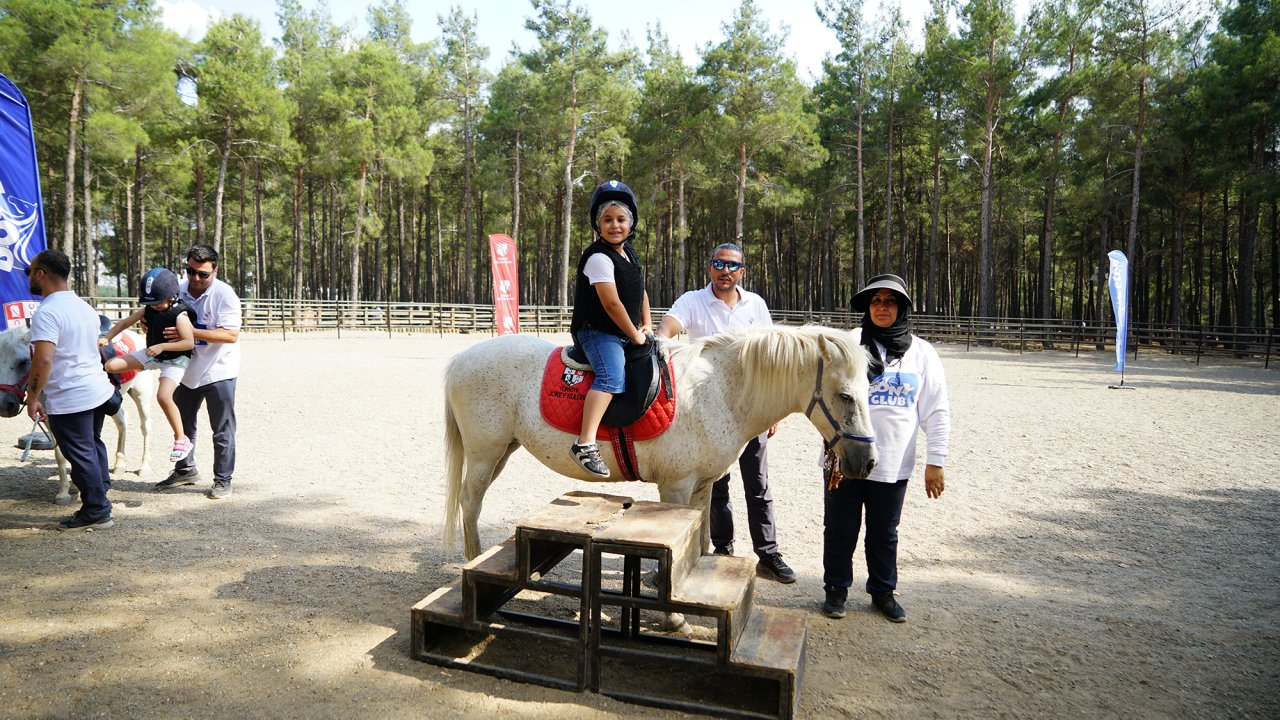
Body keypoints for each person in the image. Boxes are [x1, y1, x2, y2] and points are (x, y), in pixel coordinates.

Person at [656, 243, 796, 584]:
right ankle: (722, 547)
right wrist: (661, 339)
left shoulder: (756, 305)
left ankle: (768, 553)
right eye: (719, 263)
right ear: (709, 267)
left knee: (757, 483)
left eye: (732, 265)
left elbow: (773, 359)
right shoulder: (693, 300)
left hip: (752, 410)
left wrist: (774, 412)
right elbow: (669, 325)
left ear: (742, 272)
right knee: (714, 483)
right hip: (707, 414)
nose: (725, 270)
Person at [821, 273, 950, 622]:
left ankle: (882, 591)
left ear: (902, 308)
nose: (881, 307)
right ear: (867, 306)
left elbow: (936, 409)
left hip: (893, 461)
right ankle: (836, 589)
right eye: (875, 301)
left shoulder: (921, 353)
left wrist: (935, 460)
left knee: (884, 532)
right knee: (840, 528)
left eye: (889, 301)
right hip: (846, 456)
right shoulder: (846, 345)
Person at [24, 249, 120, 530]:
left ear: (41, 274)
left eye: (30, 271)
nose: (29, 276)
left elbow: (43, 360)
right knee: (92, 443)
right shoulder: (84, 307)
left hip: (71, 396)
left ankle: (97, 510)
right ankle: (100, 490)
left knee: (79, 452)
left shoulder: (48, 311)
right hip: (97, 389)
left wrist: (32, 398)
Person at [568, 180, 651, 477]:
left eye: (620, 219)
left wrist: (648, 325)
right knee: (611, 375)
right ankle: (585, 442)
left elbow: (640, 291)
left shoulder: (630, 254)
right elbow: (612, 304)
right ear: (598, 224)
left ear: (630, 223)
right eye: (607, 220)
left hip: (623, 330)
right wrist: (635, 335)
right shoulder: (598, 257)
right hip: (598, 330)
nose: (615, 225)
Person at [153, 244, 242, 499]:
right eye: (191, 271)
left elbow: (230, 334)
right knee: (183, 424)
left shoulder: (225, 295)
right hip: (184, 369)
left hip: (218, 371)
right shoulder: (176, 290)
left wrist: (189, 332)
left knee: (222, 429)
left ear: (215, 270)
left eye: (203, 274)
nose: (195, 278)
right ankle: (185, 470)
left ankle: (223, 479)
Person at [100, 268, 197, 462]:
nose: (154, 307)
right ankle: (110, 399)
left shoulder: (180, 315)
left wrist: (162, 346)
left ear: (172, 297)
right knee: (110, 365)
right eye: (150, 303)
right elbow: (125, 323)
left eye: (158, 302)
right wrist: (106, 337)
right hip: (152, 354)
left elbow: (189, 343)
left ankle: (181, 438)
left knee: (163, 396)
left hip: (175, 360)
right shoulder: (150, 309)